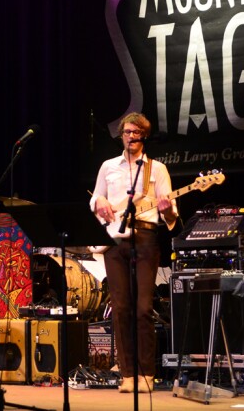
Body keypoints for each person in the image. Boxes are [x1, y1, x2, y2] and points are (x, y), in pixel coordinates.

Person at [89, 112, 178, 394]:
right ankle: (128, 374)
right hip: (115, 242)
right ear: (122, 135)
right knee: (121, 309)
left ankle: (146, 373)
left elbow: (170, 212)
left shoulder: (157, 169)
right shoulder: (108, 167)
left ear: (144, 136)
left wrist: (168, 209)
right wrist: (99, 201)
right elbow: (95, 197)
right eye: (127, 132)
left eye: (136, 133)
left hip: (146, 238)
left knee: (142, 309)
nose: (131, 137)